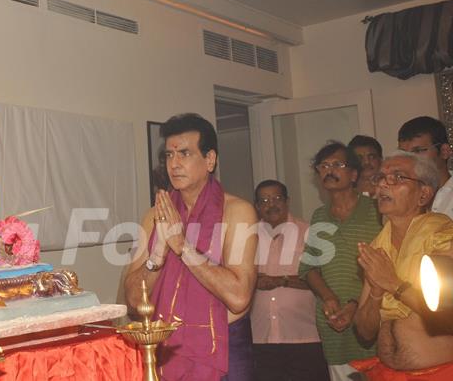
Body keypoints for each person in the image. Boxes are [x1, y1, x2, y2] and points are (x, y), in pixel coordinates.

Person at [124, 113, 258, 381]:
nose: (174, 164)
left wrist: (182, 246)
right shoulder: (154, 216)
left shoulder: (237, 212)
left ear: (210, 160)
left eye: (184, 153)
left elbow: (239, 296)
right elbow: (134, 300)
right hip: (168, 348)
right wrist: (157, 256)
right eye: (169, 156)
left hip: (224, 350)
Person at [352, 151, 453, 379]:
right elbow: (365, 332)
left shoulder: (444, 236)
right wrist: (376, 294)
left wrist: (393, 284)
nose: (383, 186)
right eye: (380, 178)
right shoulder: (378, 247)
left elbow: (449, 315)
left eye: (397, 177)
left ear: (423, 194)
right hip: (388, 373)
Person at [298, 141, 380, 381]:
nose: (328, 170)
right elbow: (308, 268)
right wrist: (329, 298)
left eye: (337, 164)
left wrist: (357, 305)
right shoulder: (320, 215)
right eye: (323, 166)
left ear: (354, 174)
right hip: (333, 323)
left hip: (371, 319)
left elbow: (388, 266)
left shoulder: (376, 210)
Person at [251, 180, 329, 381]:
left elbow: (322, 280)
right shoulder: (248, 237)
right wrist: (254, 282)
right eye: (265, 200)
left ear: (287, 201)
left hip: (305, 337)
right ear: (257, 206)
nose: (271, 204)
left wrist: (282, 280)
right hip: (261, 339)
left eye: (277, 198)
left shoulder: (309, 233)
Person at [398, 116, 453, 219]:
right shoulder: (402, 193)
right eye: (404, 154)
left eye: (418, 151)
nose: (410, 160)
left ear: (444, 151)